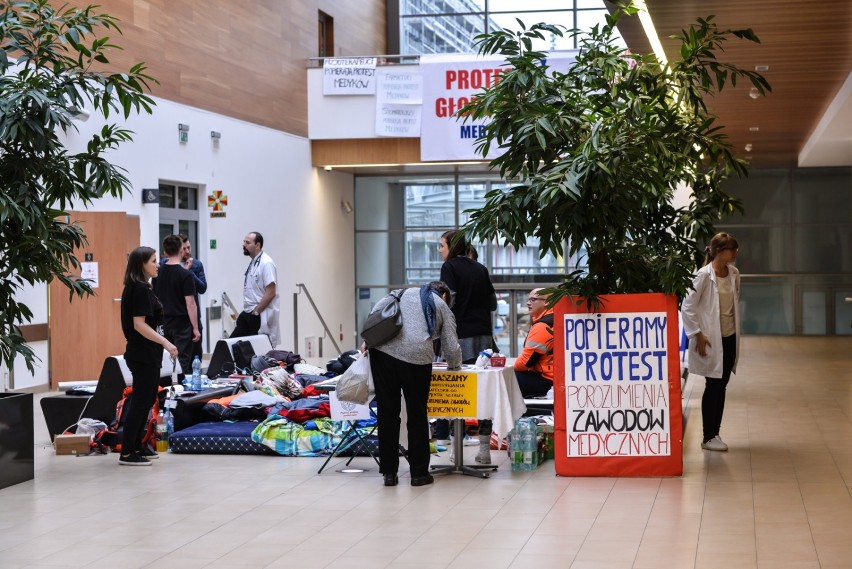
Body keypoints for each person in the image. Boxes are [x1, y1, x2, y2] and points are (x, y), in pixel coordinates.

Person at [368, 281, 462, 487]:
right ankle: (419, 474)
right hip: (416, 357)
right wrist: (455, 366)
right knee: (417, 414)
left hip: (382, 354)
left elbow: (374, 315)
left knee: (387, 413)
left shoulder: (397, 293)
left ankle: (389, 474)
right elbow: (451, 344)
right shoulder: (440, 302)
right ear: (445, 295)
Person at [435, 229, 497, 464]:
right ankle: (484, 449)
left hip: (458, 337)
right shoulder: (480, 268)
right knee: (483, 391)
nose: (440, 250)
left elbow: (450, 299)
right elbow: (492, 302)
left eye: (442, 245)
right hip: (483, 337)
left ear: (452, 246)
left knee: (455, 391)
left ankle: (455, 447)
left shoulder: (449, 268)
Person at [681, 232, 741, 452]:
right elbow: (687, 306)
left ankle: (715, 433)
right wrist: (697, 333)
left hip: (729, 337)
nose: (735, 253)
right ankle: (708, 436)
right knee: (714, 384)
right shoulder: (703, 276)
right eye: (732, 249)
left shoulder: (734, 273)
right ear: (720, 251)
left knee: (721, 384)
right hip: (710, 338)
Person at [119, 247, 179, 466]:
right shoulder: (139, 290)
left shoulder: (144, 288)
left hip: (148, 354)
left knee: (145, 402)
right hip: (141, 354)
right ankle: (127, 451)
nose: (158, 264)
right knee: (140, 402)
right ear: (142, 264)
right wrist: (165, 342)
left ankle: (137, 444)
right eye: (153, 261)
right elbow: (139, 324)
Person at [153, 235, 200, 376]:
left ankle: (167, 390)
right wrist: (196, 328)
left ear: (165, 252)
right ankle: (181, 391)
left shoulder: (157, 272)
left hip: (164, 322)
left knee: (166, 360)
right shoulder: (185, 275)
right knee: (182, 360)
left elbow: (155, 298)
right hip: (182, 324)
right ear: (181, 250)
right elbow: (190, 303)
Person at [231, 232, 280, 346]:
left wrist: (256, 312)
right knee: (233, 345)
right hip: (248, 313)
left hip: (259, 315)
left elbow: (271, 292)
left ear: (257, 245)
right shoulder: (253, 262)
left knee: (257, 351)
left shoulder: (266, 263)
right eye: (244, 242)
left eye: (247, 242)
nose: (244, 245)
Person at [514, 288, 554, 398]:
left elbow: (525, 363)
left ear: (547, 302)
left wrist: (507, 368)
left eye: (533, 299)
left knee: (504, 379)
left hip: (547, 379)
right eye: (528, 300)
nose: (528, 303)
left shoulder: (543, 325)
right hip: (556, 378)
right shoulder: (555, 318)